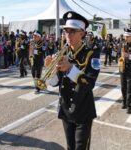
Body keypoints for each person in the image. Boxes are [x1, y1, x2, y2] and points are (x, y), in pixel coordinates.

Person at [44, 11, 100, 150]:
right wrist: (50, 70)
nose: (67, 35)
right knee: (70, 147)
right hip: (66, 110)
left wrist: (70, 69)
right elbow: (54, 83)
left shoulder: (91, 54)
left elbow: (89, 83)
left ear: (82, 33)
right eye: (66, 31)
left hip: (83, 111)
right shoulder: (62, 53)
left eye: (72, 31)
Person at [119, 28, 131, 113]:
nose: (126, 38)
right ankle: (124, 101)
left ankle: (128, 105)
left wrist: (129, 56)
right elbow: (118, 54)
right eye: (125, 36)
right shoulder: (122, 43)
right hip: (122, 67)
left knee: (129, 88)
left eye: (128, 36)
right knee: (123, 86)